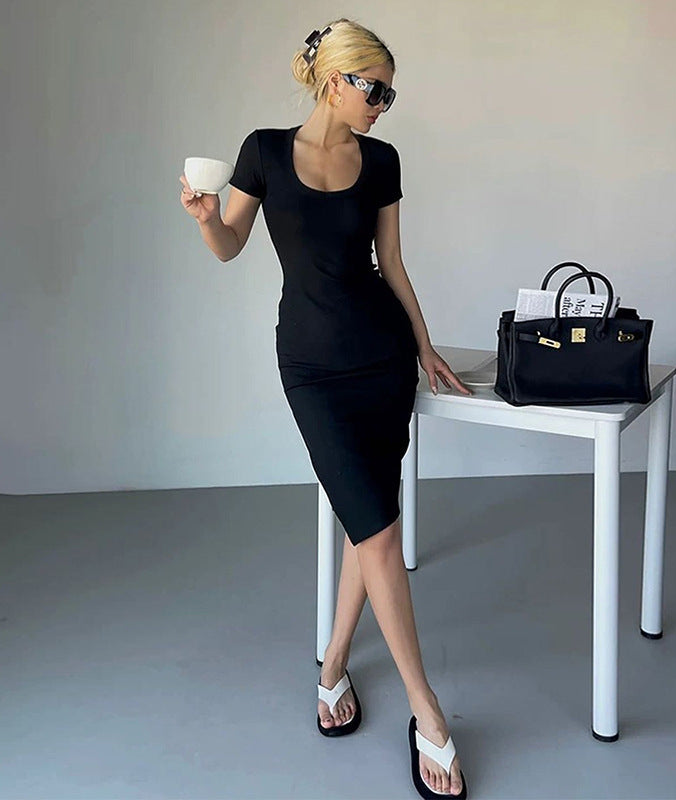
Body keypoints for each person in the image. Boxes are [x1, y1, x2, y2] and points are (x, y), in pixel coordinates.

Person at [179, 17, 470, 799]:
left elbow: (393, 264)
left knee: (368, 523)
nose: (384, 105)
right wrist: (207, 220)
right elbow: (231, 244)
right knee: (378, 530)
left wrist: (425, 345)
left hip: (382, 358)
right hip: (311, 366)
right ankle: (427, 711)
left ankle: (334, 665)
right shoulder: (265, 152)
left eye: (389, 95)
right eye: (376, 90)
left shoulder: (383, 161)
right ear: (336, 81)